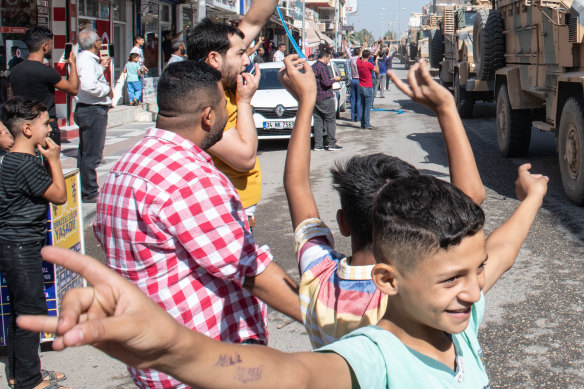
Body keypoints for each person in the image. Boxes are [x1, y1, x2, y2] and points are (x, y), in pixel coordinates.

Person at [18, 135, 549, 388]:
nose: (476, 290)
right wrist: (170, 346)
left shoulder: (460, 313)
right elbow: (289, 375)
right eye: (454, 279)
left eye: (473, 273)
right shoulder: (374, 356)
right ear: (386, 280)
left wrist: (530, 200)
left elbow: (499, 251)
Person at [93, 60, 301, 388]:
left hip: (154, 363)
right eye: (224, 108)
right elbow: (249, 269)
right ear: (208, 116)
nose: (226, 115)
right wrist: (325, 316)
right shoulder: (190, 179)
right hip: (206, 364)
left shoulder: (123, 169)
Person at [285, 59, 487, 348]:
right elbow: (469, 200)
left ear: (343, 222)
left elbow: (297, 185)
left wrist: (306, 102)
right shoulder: (412, 292)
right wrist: (446, 109)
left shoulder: (319, 276)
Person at [188, 7, 278, 228]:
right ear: (214, 59)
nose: (246, 61)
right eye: (240, 54)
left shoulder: (222, 82)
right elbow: (244, 159)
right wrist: (245, 102)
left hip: (234, 206)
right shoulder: (204, 101)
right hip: (223, 212)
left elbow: (255, 20)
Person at [0, 97, 68, 389]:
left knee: (21, 311)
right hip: (20, 245)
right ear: (27, 129)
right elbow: (59, 195)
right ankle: (30, 381)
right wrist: (54, 159)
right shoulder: (24, 163)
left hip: (14, 244)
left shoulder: (13, 160)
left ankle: (20, 373)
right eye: (45, 123)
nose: (49, 128)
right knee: (31, 314)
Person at [8, 26, 79, 146]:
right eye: (51, 44)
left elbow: (11, 98)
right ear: (45, 46)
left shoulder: (15, 70)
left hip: (23, 125)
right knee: (50, 162)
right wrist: (72, 64)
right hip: (45, 126)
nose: (51, 47)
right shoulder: (46, 72)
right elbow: (73, 89)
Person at [74, 29, 112, 203]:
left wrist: (102, 68)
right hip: (92, 109)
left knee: (86, 153)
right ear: (95, 43)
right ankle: (89, 191)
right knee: (92, 154)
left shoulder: (86, 60)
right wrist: (106, 90)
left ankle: (85, 188)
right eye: (99, 40)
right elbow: (89, 86)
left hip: (89, 109)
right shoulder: (86, 60)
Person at [311, 49, 342, 151]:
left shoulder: (313, 66)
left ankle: (318, 145)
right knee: (330, 120)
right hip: (325, 97)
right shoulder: (322, 67)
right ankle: (331, 144)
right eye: (328, 59)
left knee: (318, 121)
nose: (329, 61)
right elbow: (327, 83)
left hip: (316, 98)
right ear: (324, 58)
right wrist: (335, 79)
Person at [343, 37, 367, 122]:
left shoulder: (351, 59)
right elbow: (362, 51)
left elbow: (347, 50)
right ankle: (358, 117)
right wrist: (365, 42)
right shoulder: (359, 59)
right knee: (359, 100)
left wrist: (345, 44)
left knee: (353, 99)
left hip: (353, 80)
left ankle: (352, 117)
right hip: (359, 80)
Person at [357, 48, 378, 129]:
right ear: (369, 56)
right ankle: (366, 123)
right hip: (368, 86)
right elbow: (377, 71)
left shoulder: (359, 62)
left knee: (362, 105)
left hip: (361, 86)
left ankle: (362, 123)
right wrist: (376, 63)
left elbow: (359, 55)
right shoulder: (369, 64)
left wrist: (364, 44)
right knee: (367, 106)